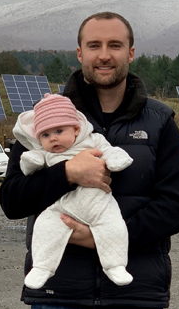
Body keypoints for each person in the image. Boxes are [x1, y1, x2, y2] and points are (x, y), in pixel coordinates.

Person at [0, 11, 179, 309]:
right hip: (58, 297)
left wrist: (101, 238)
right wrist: (67, 174)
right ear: (80, 53)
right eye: (94, 45)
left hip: (135, 299)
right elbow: (12, 200)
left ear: (130, 53)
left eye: (115, 45)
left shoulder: (160, 121)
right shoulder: (43, 120)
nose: (104, 55)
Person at [13, 93, 134, 290]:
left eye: (59, 131)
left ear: (76, 129)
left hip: (99, 205)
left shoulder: (93, 140)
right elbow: (19, 181)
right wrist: (64, 171)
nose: (53, 138)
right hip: (62, 209)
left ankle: (115, 265)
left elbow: (110, 151)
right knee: (44, 226)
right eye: (45, 135)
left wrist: (115, 159)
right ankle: (42, 267)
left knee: (114, 226)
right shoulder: (46, 153)